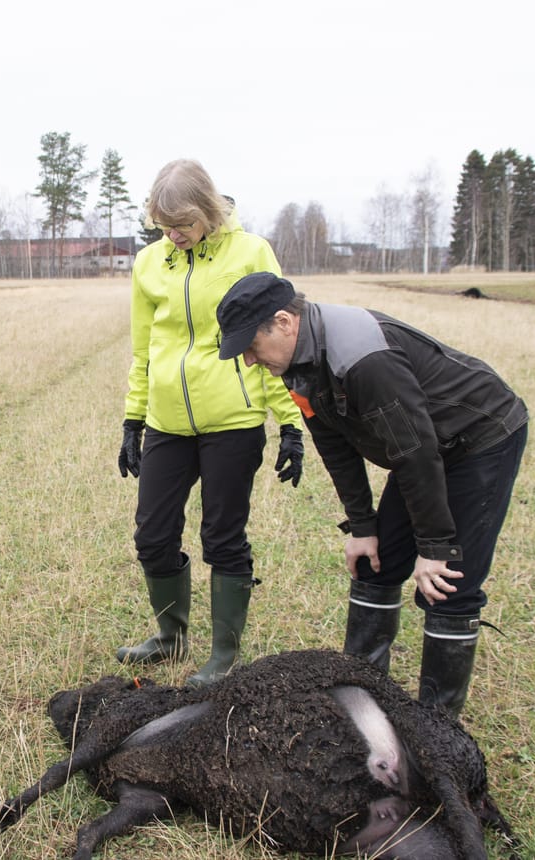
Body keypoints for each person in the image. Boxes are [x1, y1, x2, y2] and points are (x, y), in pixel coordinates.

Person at [216, 272, 528, 717]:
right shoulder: (295, 365)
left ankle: (436, 725)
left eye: (250, 346)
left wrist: (435, 546)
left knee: (447, 583)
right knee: (375, 564)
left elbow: (415, 452)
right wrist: (363, 527)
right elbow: (335, 447)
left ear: (284, 322)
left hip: (480, 437)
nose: (248, 360)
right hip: (422, 448)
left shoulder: (363, 358)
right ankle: (360, 701)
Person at [116, 159, 306, 688]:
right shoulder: (150, 263)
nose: (172, 236)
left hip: (233, 420)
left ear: (207, 212)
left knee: (223, 536)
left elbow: (272, 343)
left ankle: (223, 652)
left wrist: (289, 422)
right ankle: (169, 636)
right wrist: (134, 420)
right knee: (153, 535)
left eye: (181, 225)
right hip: (167, 422)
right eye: (162, 227)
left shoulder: (251, 253)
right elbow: (143, 349)